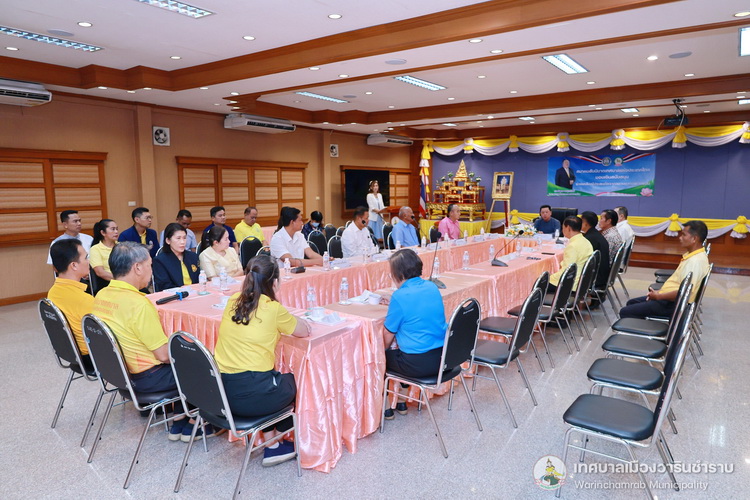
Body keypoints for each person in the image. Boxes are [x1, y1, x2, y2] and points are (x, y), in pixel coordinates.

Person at [92, 242, 219, 441]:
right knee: (203, 363)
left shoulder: (101, 295)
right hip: (147, 377)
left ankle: (180, 418)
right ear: (137, 267)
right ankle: (200, 424)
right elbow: (163, 356)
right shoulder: (138, 303)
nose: (151, 270)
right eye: (149, 265)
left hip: (120, 373)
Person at [214, 255, 310, 466]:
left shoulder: (232, 301)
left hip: (222, 395)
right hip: (252, 398)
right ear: (274, 282)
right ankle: (276, 443)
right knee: (293, 382)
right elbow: (303, 331)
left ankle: (271, 443)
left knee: (269, 380)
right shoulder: (273, 308)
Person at [382, 249, 447, 420]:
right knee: (403, 348)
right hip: (443, 358)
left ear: (399, 274)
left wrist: (382, 351)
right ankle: (402, 402)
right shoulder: (432, 287)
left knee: (379, 358)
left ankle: (386, 409)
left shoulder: (399, 296)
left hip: (417, 364)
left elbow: (388, 334)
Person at [619, 221, 709, 319]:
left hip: (673, 304)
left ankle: (647, 327)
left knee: (625, 312)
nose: (680, 238)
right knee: (631, 303)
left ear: (694, 239)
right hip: (669, 298)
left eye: (684, 235)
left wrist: (659, 296)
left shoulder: (695, 261)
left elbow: (685, 292)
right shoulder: (693, 256)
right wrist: (659, 293)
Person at [47, 239, 94, 372]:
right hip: (92, 358)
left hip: (71, 353)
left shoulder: (53, 292)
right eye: (86, 257)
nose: (89, 261)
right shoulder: (84, 300)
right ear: (74, 265)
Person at [547, 216, 593, 293]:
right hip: (583, 281)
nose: (562, 230)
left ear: (568, 228)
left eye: (563, 228)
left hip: (571, 283)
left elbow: (566, 271)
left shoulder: (572, 246)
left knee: (538, 283)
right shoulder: (586, 241)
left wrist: (549, 278)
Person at [153, 223, 200, 291]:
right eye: (178, 238)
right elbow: (164, 286)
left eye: (184, 238)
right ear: (168, 240)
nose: (182, 242)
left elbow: (199, 280)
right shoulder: (160, 261)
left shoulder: (193, 256)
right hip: (175, 295)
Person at [580, 211, 609, 291]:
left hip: (596, 278)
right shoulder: (595, 234)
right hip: (602, 274)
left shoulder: (589, 239)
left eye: (581, 221)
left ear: (586, 224)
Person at [89, 219, 119, 283]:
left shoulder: (122, 246)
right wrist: (122, 280)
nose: (116, 231)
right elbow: (100, 272)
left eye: (117, 229)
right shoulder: (95, 249)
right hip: (107, 283)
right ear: (103, 232)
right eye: (113, 229)